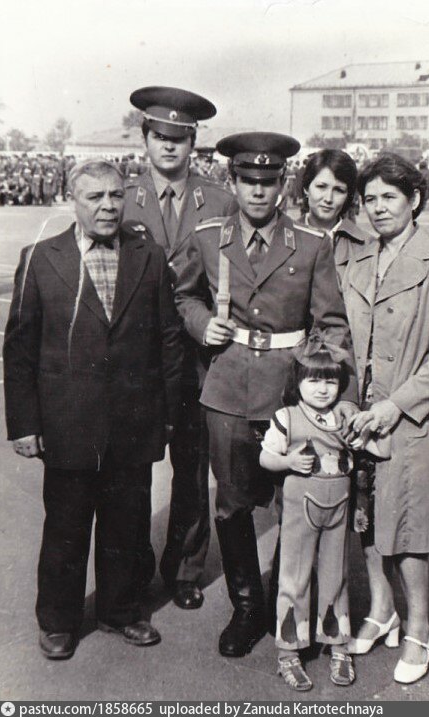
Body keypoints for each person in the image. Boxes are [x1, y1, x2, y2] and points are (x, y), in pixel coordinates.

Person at [175, 131, 357, 658]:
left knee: (294, 500)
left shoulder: (311, 243)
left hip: (289, 391)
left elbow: (331, 323)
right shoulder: (208, 237)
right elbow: (184, 294)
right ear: (232, 182)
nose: (258, 191)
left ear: (283, 185)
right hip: (229, 388)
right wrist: (201, 323)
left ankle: (289, 602)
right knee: (232, 504)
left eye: (269, 181)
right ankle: (248, 607)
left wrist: (324, 388)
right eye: (248, 181)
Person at [3, 159, 183, 659]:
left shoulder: (149, 256)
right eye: (95, 197)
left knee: (126, 523)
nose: (108, 206)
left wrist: (167, 416)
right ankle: (58, 621)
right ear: (73, 201)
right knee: (66, 527)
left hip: (133, 422)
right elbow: (19, 350)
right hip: (67, 424)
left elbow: (168, 340)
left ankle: (119, 611)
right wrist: (24, 424)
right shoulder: (41, 258)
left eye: (116, 195)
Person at [342, 153, 429, 684]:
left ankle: (418, 626)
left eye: (389, 197)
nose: (378, 208)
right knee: (367, 512)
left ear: (415, 199)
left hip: (415, 416)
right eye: (369, 199)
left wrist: (393, 406)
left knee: (411, 523)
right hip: (362, 409)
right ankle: (381, 609)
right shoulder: (357, 259)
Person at [123, 86, 236, 611]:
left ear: (193, 142)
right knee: (130, 469)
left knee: (191, 467)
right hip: (136, 356)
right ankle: (132, 568)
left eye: (180, 137)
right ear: (145, 139)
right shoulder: (123, 198)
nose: (169, 146)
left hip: (195, 355)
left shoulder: (220, 200)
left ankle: (185, 568)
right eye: (159, 136)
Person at [260, 337, 357, 690]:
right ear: (297, 381)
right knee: (295, 577)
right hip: (301, 510)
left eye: (330, 380)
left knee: (336, 575)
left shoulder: (344, 417)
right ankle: (289, 652)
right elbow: (265, 456)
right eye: (313, 380)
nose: (322, 388)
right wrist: (287, 461)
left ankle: (338, 645)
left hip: (338, 510)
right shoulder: (287, 417)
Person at [300, 149, 368, 283]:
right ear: (306, 188)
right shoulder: (280, 237)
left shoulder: (368, 245)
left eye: (339, 190)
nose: (328, 199)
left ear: (348, 196)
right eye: (321, 187)